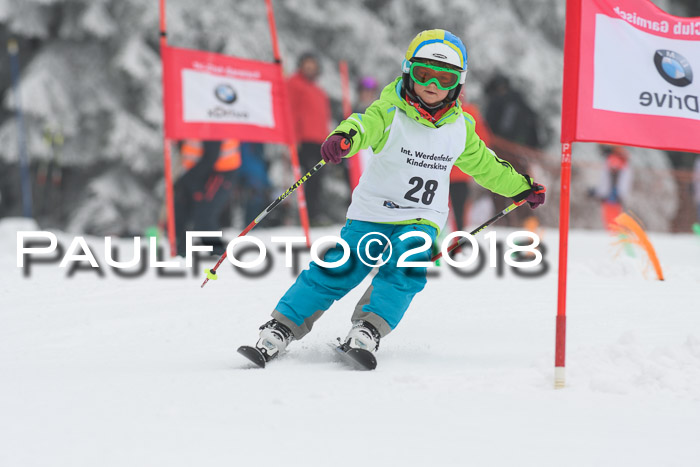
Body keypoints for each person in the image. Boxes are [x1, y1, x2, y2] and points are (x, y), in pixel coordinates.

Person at [246, 30, 546, 363]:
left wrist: (521, 186)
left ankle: (368, 329)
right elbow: (363, 125)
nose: (433, 85)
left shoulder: (461, 127)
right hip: (373, 212)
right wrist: (345, 137)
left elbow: (486, 165)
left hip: (422, 216)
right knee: (341, 267)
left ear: (458, 84)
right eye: (424, 74)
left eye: (444, 78)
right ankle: (281, 327)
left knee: (405, 267)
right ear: (408, 71)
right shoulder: (391, 111)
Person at [173, 139, 241, 257]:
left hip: (220, 172)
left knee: (203, 217)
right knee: (181, 211)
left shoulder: (211, 123)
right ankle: (181, 254)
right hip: (197, 172)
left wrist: (186, 178)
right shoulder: (188, 122)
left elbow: (211, 156)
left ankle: (219, 255)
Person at [286, 52, 332, 225]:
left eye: (313, 66)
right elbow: (290, 112)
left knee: (318, 179)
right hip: (303, 140)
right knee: (310, 178)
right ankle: (309, 215)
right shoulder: (294, 83)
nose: (310, 69)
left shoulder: (319, 91)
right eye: (307, 65)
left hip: (319, 140)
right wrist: (293, 138)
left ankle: (315, 214)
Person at [589, 145, 632, 230]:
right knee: (614, 222)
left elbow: (611, 180)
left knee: (612, 223)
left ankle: (619, 239)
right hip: (615, 196)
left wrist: (603, 193)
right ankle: (619, 238)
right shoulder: (620, 160)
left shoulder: (614, 159)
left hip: (612, 197)